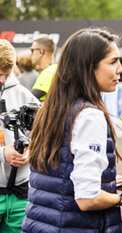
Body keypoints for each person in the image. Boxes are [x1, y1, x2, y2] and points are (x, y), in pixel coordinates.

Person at [21, 28, 122, 233]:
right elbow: (87, 198)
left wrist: (104, 183)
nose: (120, 69)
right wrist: (120, 197)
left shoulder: (50, 110)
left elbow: (56, 177)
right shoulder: (89, 115)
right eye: (113, 61)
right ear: (88, 67)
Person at [0, 39, 39, 233]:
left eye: (6, 74)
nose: (1, 79)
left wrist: (31, 151)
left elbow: (42, 136)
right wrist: (2, 154)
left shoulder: (25, 95)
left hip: (20, 197)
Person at [30, 37, 57, 101]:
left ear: (41, 52)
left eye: (32, 50)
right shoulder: (55, 68)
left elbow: (31, 97)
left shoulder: (49, 72)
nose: (30, 54)